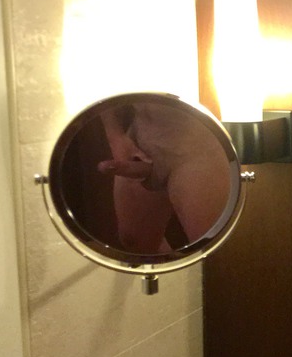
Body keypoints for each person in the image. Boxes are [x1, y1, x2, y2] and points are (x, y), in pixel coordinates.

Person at [97, 102, 232, 253]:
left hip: (195, 145)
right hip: (141, 138)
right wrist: (115, 136)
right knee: (134, 241)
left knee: (211, 248)